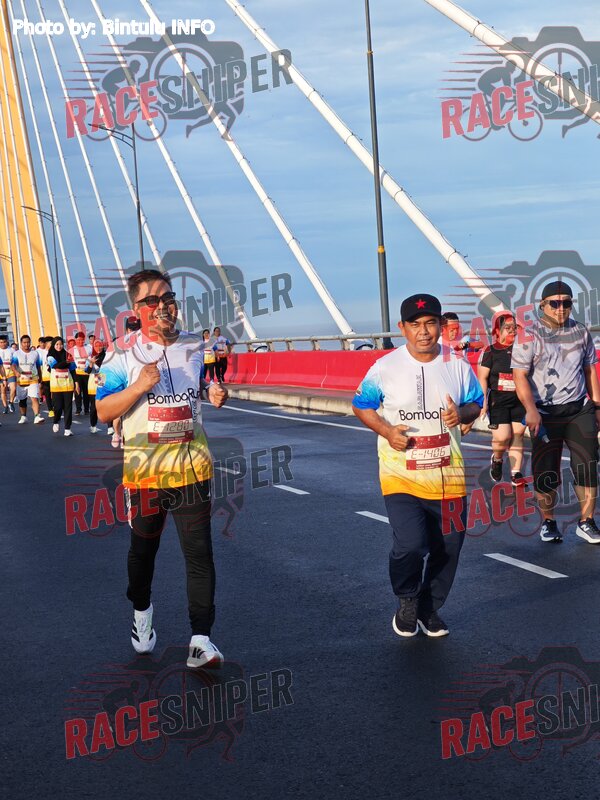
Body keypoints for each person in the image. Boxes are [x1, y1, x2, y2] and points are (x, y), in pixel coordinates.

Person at [96, 269, 229, 668]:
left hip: (193, 468)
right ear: (136, 309)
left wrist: (213, 392)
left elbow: (196, 388)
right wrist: (138, 386)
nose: (162, 306)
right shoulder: (120, 354)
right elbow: (103, 410)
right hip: (145, 473)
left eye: (168, 298)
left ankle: (201, 640)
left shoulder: (194, 346)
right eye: (151, 300)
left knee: (199, 554)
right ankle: (141, 613)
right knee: (143, 553)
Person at [352, 294, 483, 638]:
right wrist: (387, 431)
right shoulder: (385, 367)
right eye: (415, 324)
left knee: (450, 546)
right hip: (401, 474)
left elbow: (476, 402)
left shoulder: (457, 363)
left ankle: (429, 608)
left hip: (449, 475)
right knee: (410, 544)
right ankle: (407, 599)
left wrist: (461, 414)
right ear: (402, 328)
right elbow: (361, 405)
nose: (423, 331)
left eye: (430, 323)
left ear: (441, 325)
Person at [512, 280, 600, 544]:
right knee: (546, 472)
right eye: (555, 303)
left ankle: (586, 521)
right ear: (543, 305)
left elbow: (589, 370)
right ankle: (549, 522)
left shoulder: (581, 332)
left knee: (587, 466)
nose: (561, 308)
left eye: (566, 303)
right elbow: (519, 375)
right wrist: (531, 410)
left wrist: (597, 406)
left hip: (578, 409)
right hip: (544, 413)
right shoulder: (529, 335)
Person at [478, 314, 527, 486]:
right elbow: (482, 378)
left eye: (515, 328)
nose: (512, 331)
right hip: (498, 401)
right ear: (498, 331)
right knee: (502, 438)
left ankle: (516, 473)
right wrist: (483, 403)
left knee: (518, 434)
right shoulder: (490, 351)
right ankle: (497, 459)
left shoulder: (523, 350)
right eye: (508, 328)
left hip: (520, 399)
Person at [47, 336, 77, 436]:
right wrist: (66, 362)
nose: (59, 346)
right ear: (53, 345)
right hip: (56, 384)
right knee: (58, 407)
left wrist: (76, 383)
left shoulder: (68, 355)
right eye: (57, 344)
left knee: (68, 407)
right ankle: (56, 421)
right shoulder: (50, 355)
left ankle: (67, 428)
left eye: (61, 344)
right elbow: (56, 366)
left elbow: (73, 370)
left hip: (68, 383)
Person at [11, 334, 44, 424]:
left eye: (28, 342)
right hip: (21, 379)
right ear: (21, 343)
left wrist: (40, 377)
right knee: (22, 399)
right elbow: (13, 365)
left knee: (34, 397)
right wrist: (16, 372)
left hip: (33, 379)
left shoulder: (35, 353)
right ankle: (23, 416)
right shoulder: (16, 353)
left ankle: (37, 416)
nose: (26, 344)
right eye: (24, 342)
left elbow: (38, 366)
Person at [86, 338, 106, 434]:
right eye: (96, 346)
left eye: (100, 345)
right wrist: (91, 363)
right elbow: (87, 371)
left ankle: (110, 426)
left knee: (106, 404)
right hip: (93, 382)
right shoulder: (90, 357)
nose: (98, 348)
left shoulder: (107, 356)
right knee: (94, 406)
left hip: (103, 378)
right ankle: (93, 425)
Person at [71, 331, 92, 415]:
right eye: (79, 340)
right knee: (77, 391)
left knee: (86, 392)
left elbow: (91, 359)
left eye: (82, 340)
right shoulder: (72, 350)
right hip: (77, 373)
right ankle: (78, 409)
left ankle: (86, 409)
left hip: (86, 373)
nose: (80, 341)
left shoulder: (89, 348)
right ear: (75, 339)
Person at [38, 336, 54, 419]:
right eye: (50, 343)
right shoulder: (41, 353)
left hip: (55, 376)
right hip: (45, 376)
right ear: (46, 343)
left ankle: (55, 406)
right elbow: (40, 366)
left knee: (54, 393)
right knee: (47, 394)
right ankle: (50, 410)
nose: (52, 344)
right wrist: (39, 376)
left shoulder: (55, 352)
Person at [0, 334, 16, 413]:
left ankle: (11, 402)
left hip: (10, 371)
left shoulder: (12, 350)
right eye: (1, 342)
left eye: (4, 342)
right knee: (3, 390)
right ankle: (5, 406)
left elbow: (15, 361)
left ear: (7, 342)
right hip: (1, 372)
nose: (3, 344)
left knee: (13, 388)